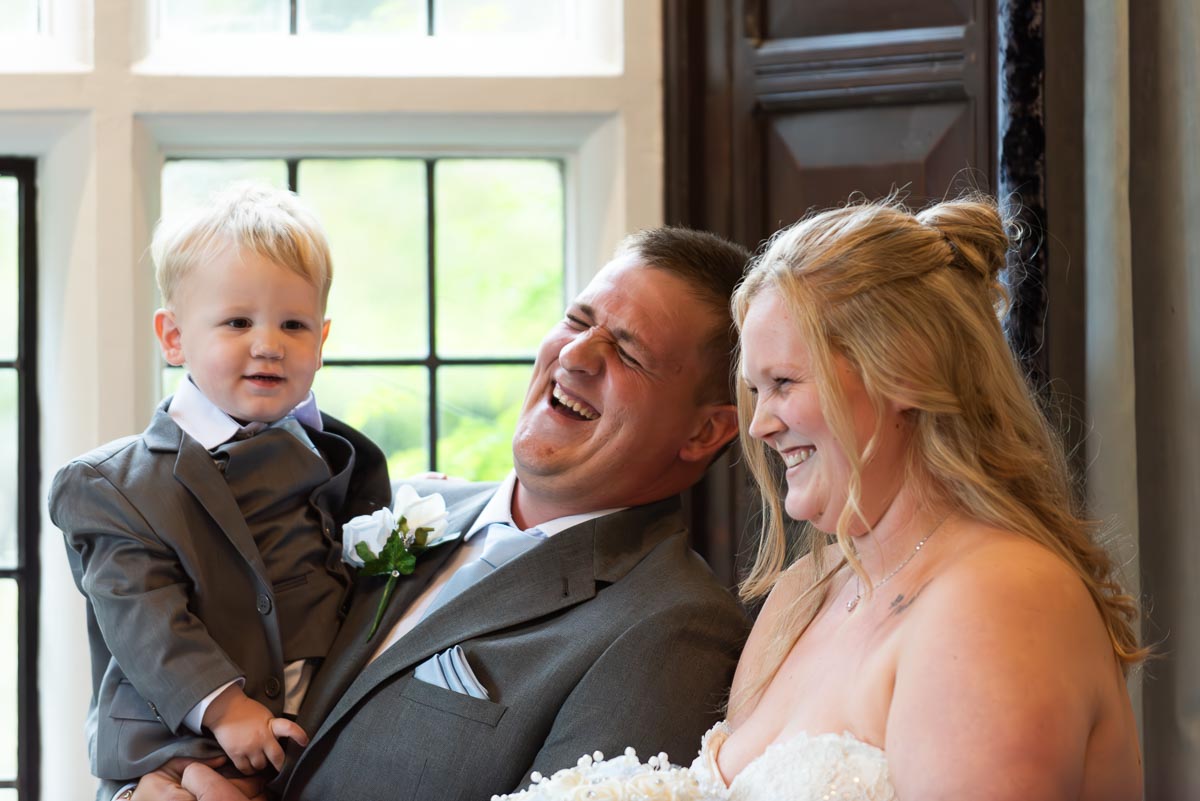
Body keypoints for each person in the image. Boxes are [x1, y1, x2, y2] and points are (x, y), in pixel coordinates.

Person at [136, 226, 754, 801]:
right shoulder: (381, 505)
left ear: (704, 431)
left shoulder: (674, 629)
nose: (576, 357)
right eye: (577, 320)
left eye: (628, 351)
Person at [690, 196, 1145, 799]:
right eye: (754, 388)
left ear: (901, 372)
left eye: (784, 383)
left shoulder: (1001, 597)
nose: (759, 425)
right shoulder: (807, 589)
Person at [49, 184, 392, 798]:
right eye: (237, 322)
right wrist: (225, 708)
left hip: (304, 752)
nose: (268, 343)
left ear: (321, 340)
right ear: (175, 336)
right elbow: (144, 617)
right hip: (180, 752)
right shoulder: (113, 486)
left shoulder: (349, 456)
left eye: (294, 324)